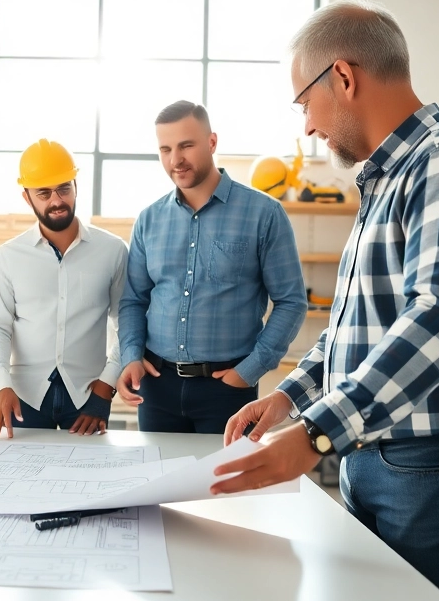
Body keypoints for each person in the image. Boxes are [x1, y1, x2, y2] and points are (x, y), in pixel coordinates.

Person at [211, 0, 439, 601]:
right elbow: (355, 331)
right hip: (393, 459)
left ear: (343, 77)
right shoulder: (389, 180)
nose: (307, 126)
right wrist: (290, 397)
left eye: (303, 103)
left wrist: (314, 435)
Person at [116, 101, 307, 434]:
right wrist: (131, 355)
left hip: (228, 390)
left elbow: (291, 302)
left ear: (212, 142)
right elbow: (133, 299)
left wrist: (249, 370)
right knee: (161, 485)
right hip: (156, 388)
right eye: (165, 149)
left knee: (224, 485)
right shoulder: (149, 220)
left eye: (186, 145)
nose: (175, 160)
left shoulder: (264, 214)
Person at [0, 139, 128, 439]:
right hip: (24, 398)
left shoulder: (113, 251)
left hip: (89, 395)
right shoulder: (10, 256)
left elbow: (128, 324)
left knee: (88, 478)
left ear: (76, 186)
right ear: (27, 198)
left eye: (64, 188)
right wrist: (1, 385)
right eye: (44, 193)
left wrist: (106, 385)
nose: (56, 200)